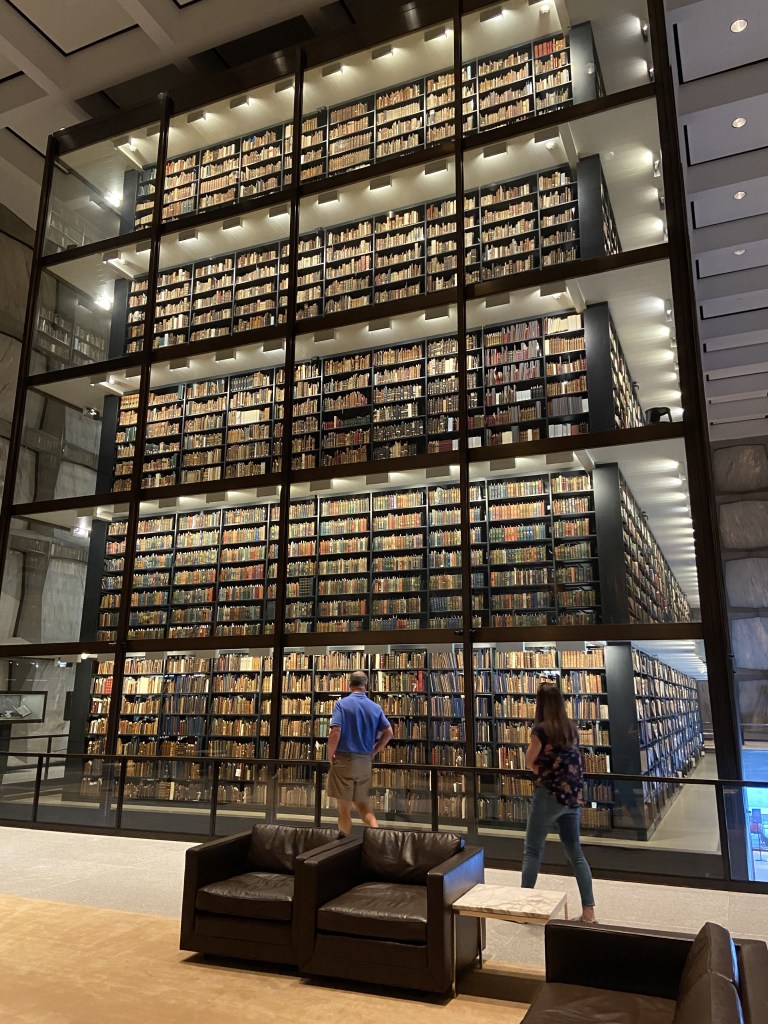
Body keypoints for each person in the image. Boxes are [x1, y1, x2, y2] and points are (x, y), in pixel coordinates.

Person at [521, 681, 597, 924]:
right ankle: (589, 912)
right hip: (572, 797)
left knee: (533, 850)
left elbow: (528, 762)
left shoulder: (540, 731)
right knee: (575, 852)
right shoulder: (571, 728)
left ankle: (524, 908)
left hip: (548, 795)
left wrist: (539, 768)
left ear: (540, 703)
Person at [326, 669, 394, 837]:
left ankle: (341, 847)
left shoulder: (342, 704)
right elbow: (389, 732)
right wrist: (374, 750)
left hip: (344, 760)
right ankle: (378, 840)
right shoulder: (375, 707)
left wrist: (330, 754)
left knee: (344, 810)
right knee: (363, 807)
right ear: (365, 685)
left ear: (349, 684)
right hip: (364, 761)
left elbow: (335, 732)